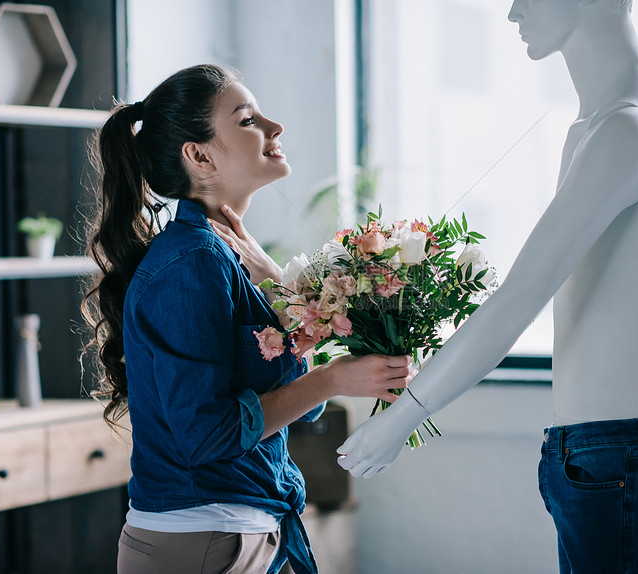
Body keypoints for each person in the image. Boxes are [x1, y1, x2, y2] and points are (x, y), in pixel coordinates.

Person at [337, 1, 638, 572]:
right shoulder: (598, 126)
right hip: (612, 452)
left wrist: (405, 414)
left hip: (628, 455)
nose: (514, 11)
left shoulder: (629, 128)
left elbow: (519, 299)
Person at [82, 64, 411, 574]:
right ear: (199, 155)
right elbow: (207, 435)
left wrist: (277, 283)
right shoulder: (191, 263)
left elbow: (299, 410)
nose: (274, 127)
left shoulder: (226, 256)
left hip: (235, 535)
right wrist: (331, 379)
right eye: (248, 119)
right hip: (201, 544)